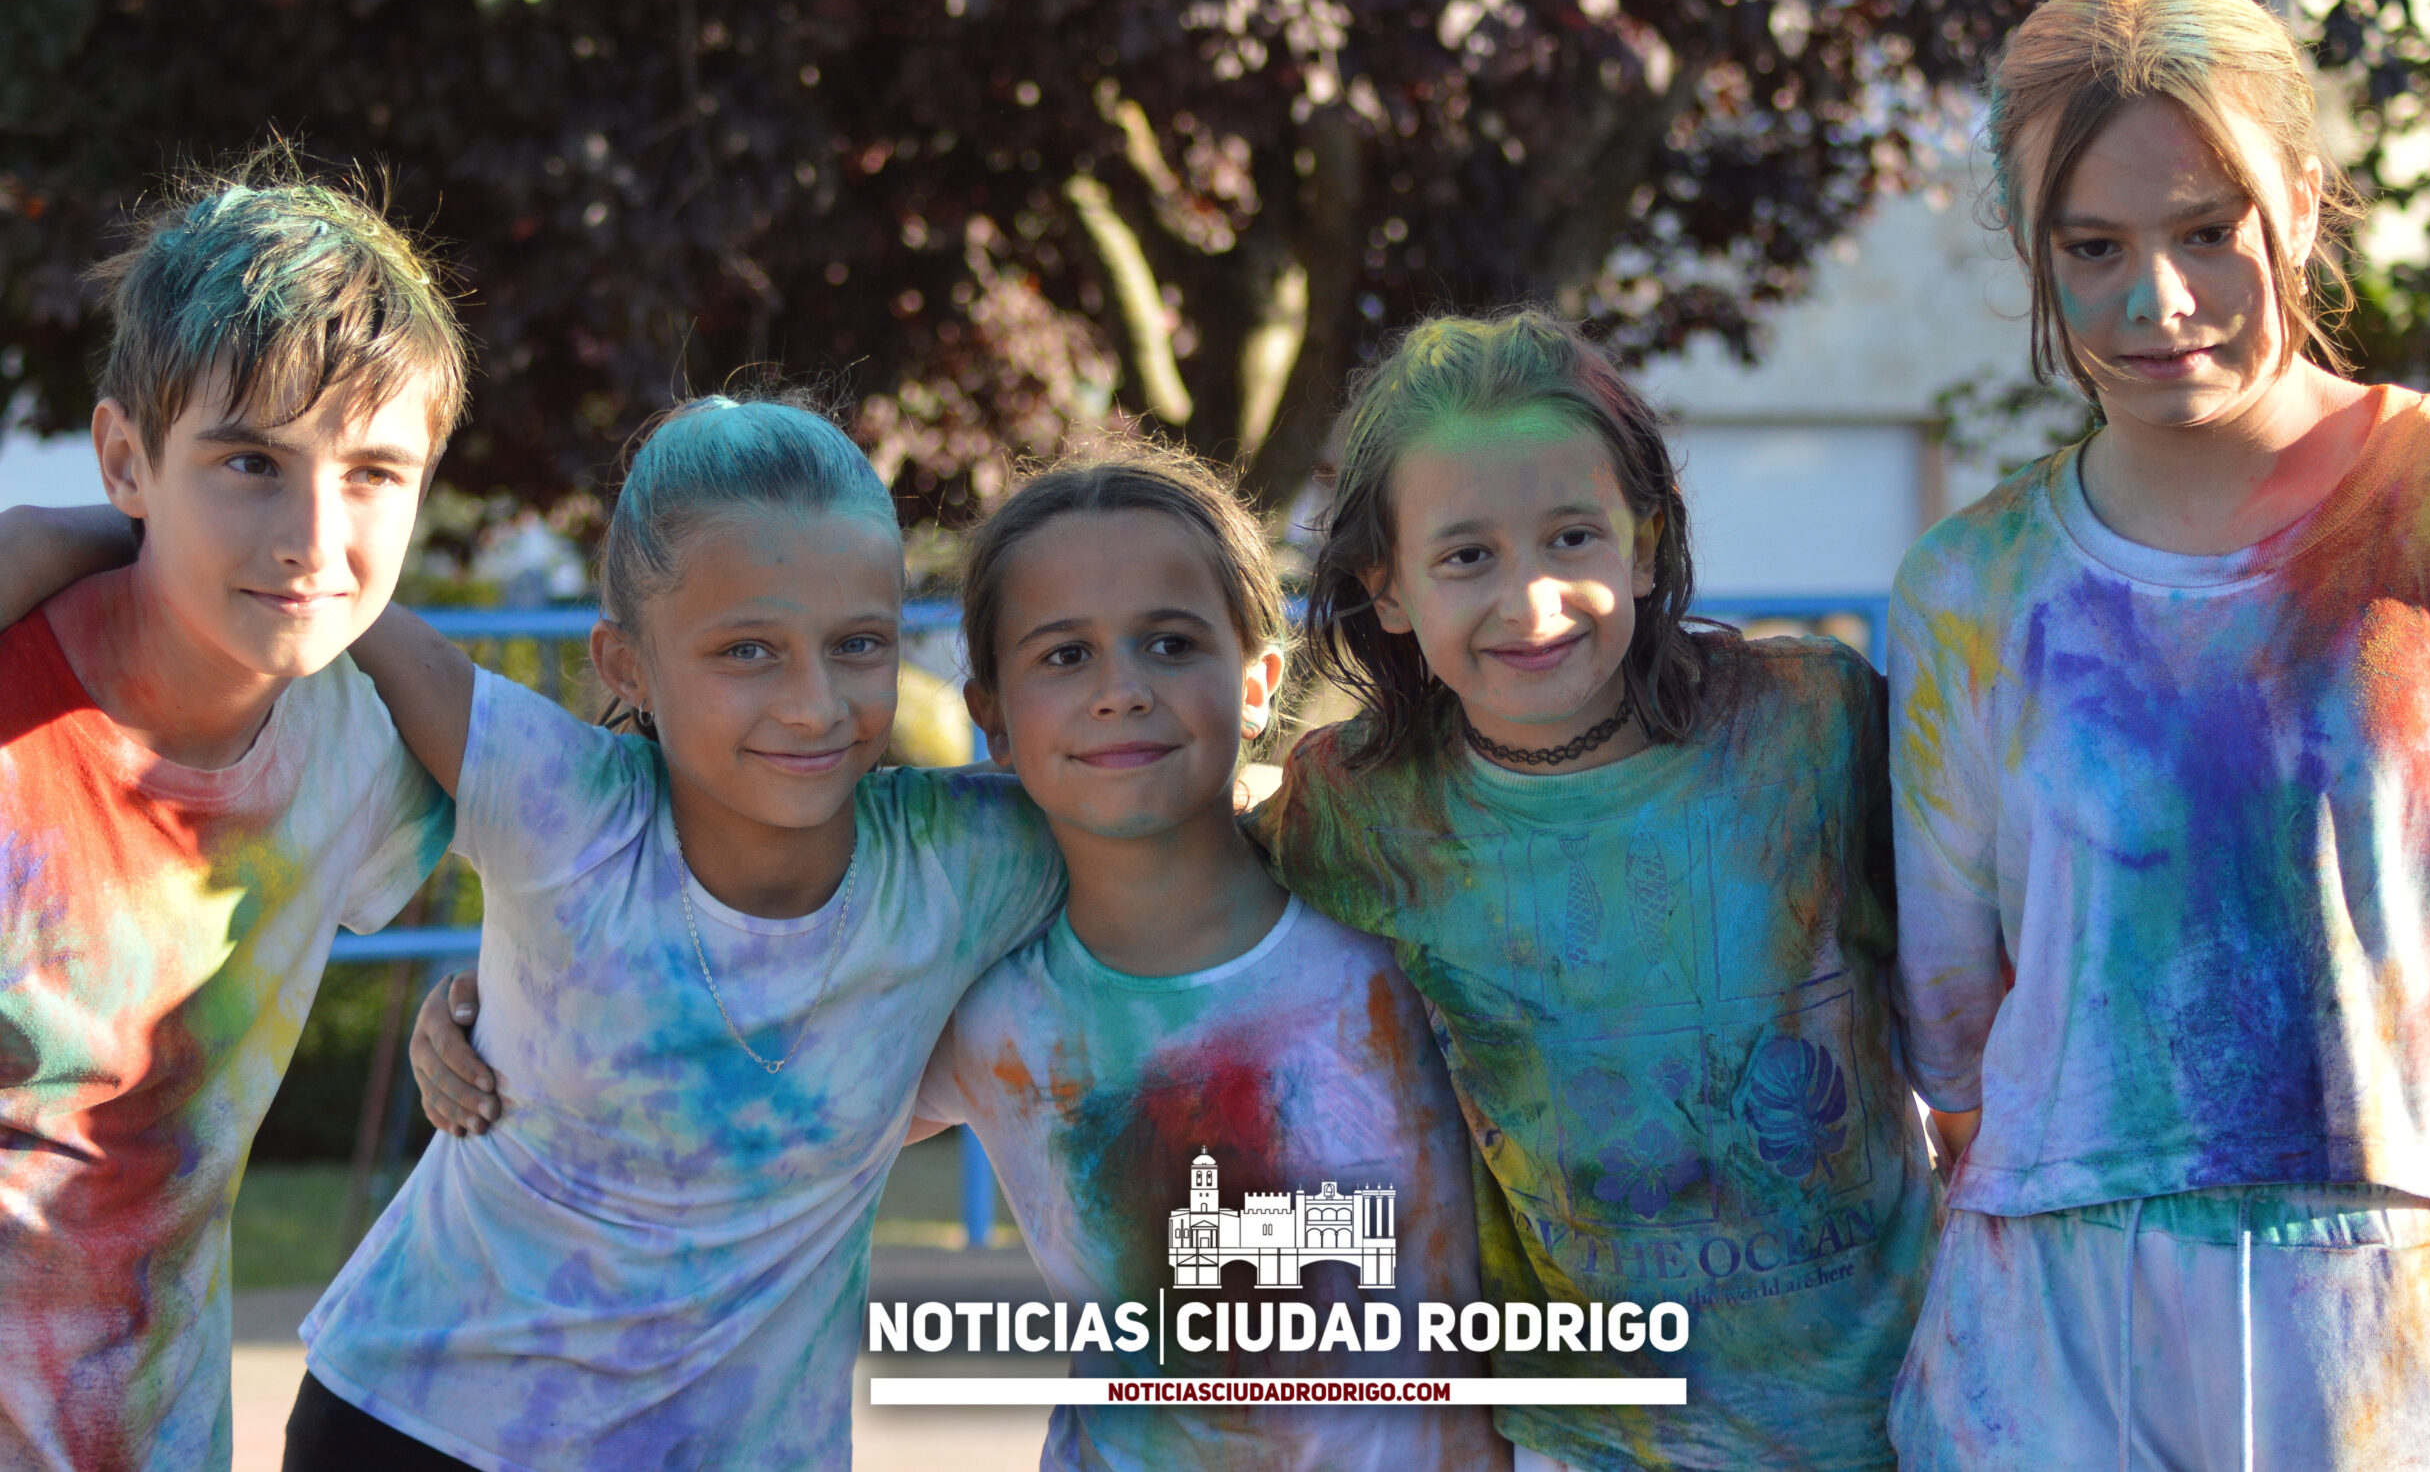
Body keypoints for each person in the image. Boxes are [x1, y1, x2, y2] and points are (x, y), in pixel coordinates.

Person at [1887, 0, 2430, 1468]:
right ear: (2032, 250)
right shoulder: (1970, 585)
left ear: (2302, 207)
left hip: (2403, 1317)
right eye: (2093, 246)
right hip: (2051, 1338)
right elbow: (1952, 1026)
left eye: (2208, 229)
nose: (2158, 300)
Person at [282, 395, 1064, 1470]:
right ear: (626, 664)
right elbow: (329, 596)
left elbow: (1197, 823)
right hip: (423, 1426)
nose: (813, 704)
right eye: (748, 650)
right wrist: (117, 512)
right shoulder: (564, 805)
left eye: (858, 644)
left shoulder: (967, 859)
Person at [1252, 311, 1939, 1472]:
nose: (1531, 602)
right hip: (1590, 1439)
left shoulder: (1808, 727)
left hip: (1899, 1415)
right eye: (1466, 557)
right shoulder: (1354, 813)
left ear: (1644, 543)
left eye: (1571, 537)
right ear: (1389, 588)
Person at [0, 162, 468, 1472]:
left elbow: (601, 862)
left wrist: (481, 1003)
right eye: (251, 462)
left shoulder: (361, 751)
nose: (311, 534)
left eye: (373, 471)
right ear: (125, 459)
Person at [909, 444, 1506, 1469]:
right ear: (992, 717)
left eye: (1171, 643)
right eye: (1064, 655)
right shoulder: (983, 1011)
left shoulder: (1406, 939)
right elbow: (765, 1156)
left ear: (1258, 681)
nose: (1120, 690)